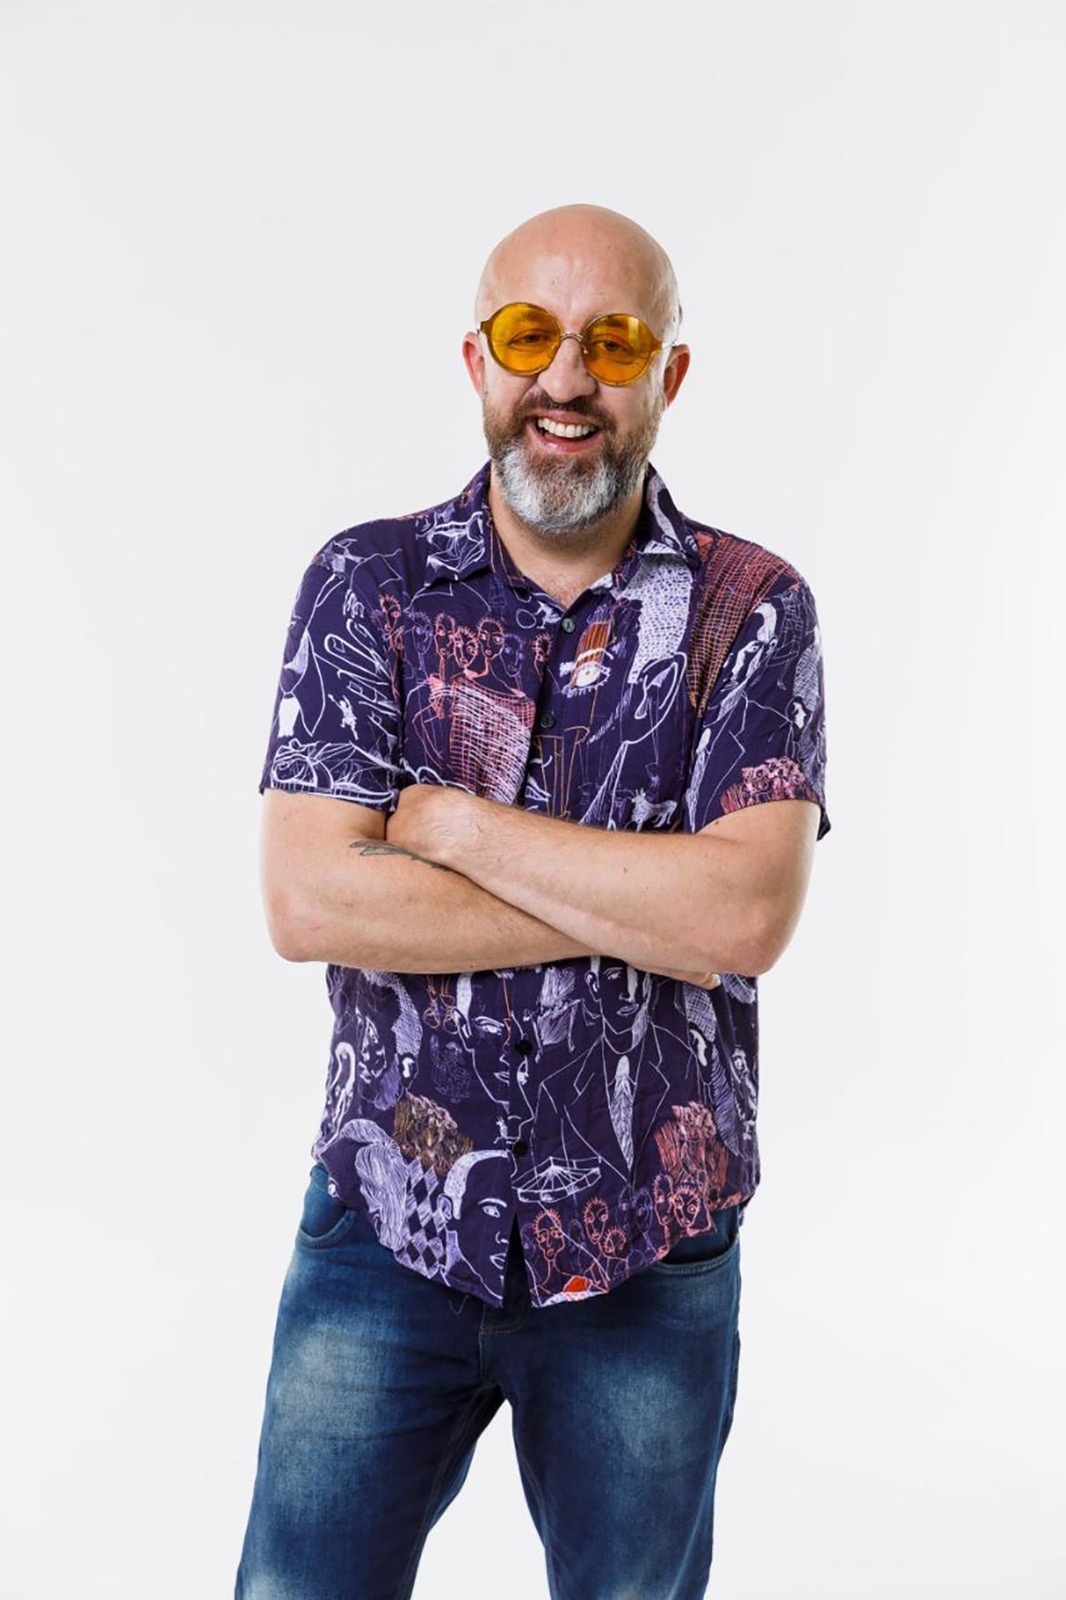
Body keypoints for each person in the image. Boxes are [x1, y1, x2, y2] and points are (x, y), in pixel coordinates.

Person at [235, 202, 831, 1600]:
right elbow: (310, 900)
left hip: (646, 1249)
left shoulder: (753, 610)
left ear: (667, 373)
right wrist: (649, 896)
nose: (567, 377)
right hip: (386, 1224)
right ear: (477, 361)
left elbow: (744, 920)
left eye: (612, 342)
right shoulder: (366, 586)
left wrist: (453, 829)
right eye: (529, 335)